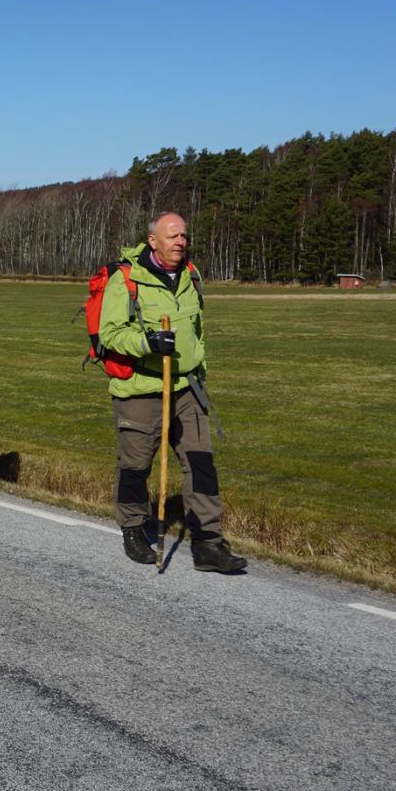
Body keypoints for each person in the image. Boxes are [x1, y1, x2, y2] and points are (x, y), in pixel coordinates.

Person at [99, 211, 246, 573]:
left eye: (183, 235)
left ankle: (208, 543)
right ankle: (133, 528)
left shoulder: (191, 276)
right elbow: (110, 333)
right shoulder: (127, 280)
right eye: (172, 236)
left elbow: (197, 330)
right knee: (136, 466)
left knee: (201, 463)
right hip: (141, 387)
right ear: (153, 241)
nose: (180, 241)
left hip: (186, 387)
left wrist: (200, 368)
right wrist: (149, 342)